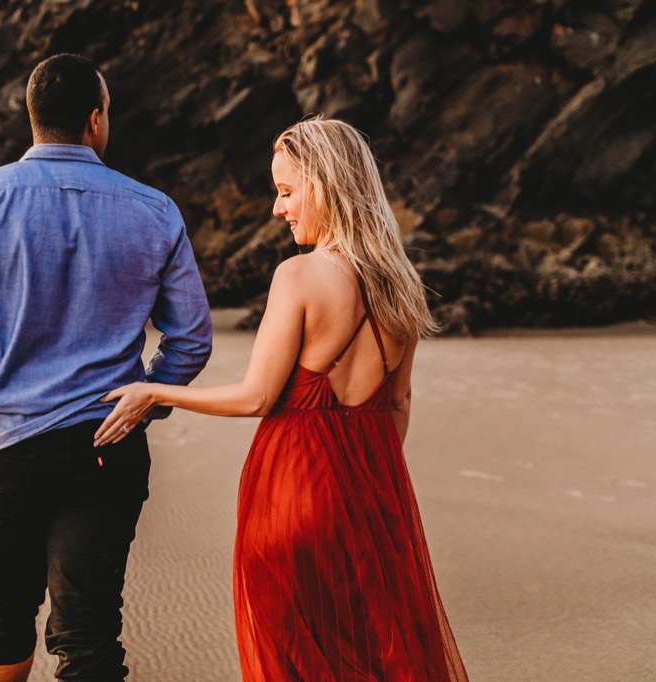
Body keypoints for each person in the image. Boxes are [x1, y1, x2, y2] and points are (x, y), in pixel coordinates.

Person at [95, 117, 468, 681]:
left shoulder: (299, 277)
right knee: (372, 660)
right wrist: (365, 491)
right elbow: (398, 403)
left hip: (290, 498)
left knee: (291, 664)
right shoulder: (403, 285)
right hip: (370, 501)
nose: (277, 208)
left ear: (326, 184)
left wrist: (153, 390)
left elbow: (256, 397)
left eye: (287, 191)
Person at [0, 53, 212, 682]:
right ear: (96, 119)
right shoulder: (155, 210)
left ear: (33, 119)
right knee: (90, 628)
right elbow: (191, 338)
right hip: (105, 442)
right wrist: (148, 399)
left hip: (1, 444)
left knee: (1, 609)